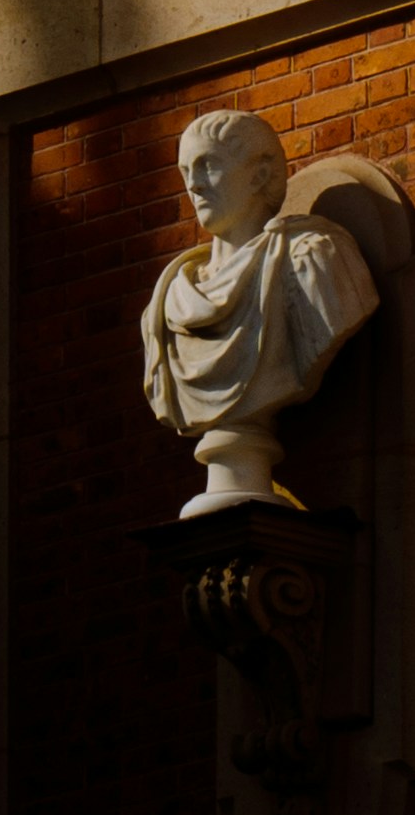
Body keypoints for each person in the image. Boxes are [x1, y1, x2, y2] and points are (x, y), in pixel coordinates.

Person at [140, 110, 377, 517]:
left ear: (260, 175)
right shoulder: (170, 299)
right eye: (185, 171)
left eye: (208, 165)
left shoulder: (311, 261)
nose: (194, 184)